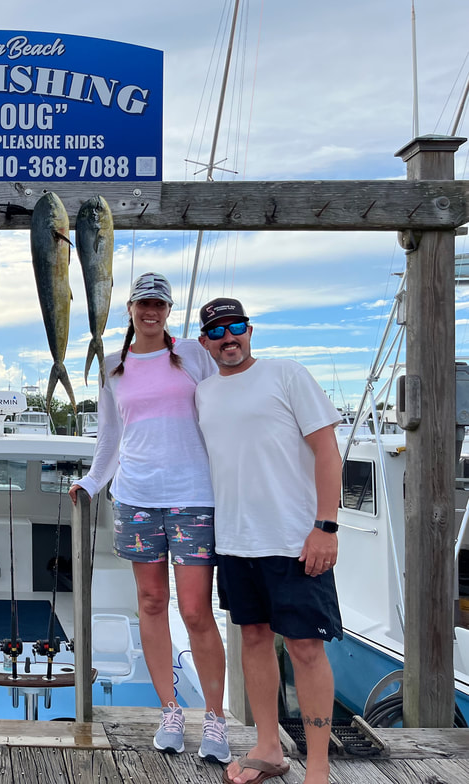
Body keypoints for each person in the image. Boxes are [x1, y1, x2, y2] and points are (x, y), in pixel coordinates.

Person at [69, 272, 229, 763]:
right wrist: (91, 483)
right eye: (143, 303)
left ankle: (217, 719)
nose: (151, 311)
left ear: (168, 309)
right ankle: (170, 710)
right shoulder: (114, 366)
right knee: (152, 602)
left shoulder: (196, 357)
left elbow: (224, 415)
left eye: (159, 303)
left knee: (197, 611)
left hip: (193, 497)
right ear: (131, 309)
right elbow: (110, 439)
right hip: (135, 497)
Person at [194, 297, 342, 784]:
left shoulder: (286, 374)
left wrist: (326, 526)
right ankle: (268, 747)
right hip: (235, 542)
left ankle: (317, 766)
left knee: (305, 649)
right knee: (254, 640)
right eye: (216, 331)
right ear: (205, 342)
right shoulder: (205, 393)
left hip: (295, 540)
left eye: (235, 326)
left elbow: (327, 450)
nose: (227, 337)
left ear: (250, 330)